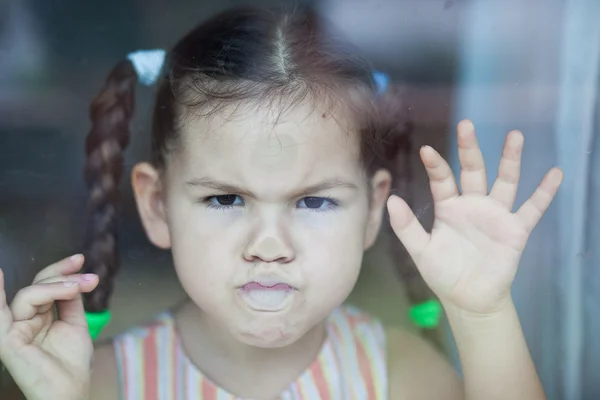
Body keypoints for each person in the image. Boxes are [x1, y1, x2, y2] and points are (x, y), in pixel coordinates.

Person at [0, 5, 562, 400]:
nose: (269, 247)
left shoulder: (400, 376)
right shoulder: (101, 385)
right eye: (225, 198)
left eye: (314, 203)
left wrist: (483, 316)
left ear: (373, 211)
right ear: (156, 205)